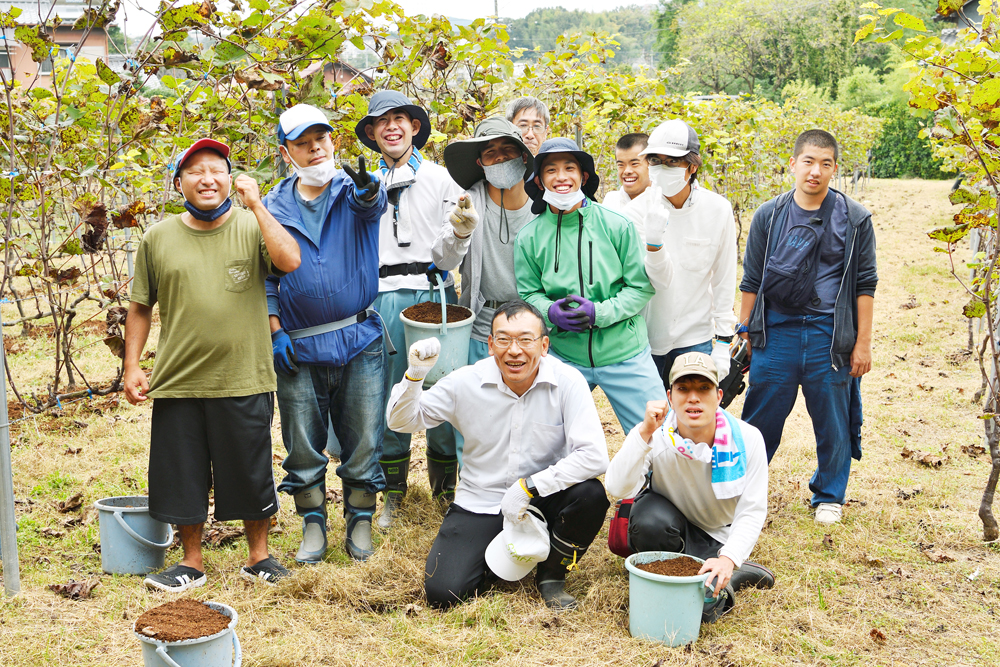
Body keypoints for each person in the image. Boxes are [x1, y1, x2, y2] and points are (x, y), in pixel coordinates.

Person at [123, 138, 301, 591]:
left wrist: (258, 206)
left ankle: (258, 557)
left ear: (229, 178)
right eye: (195, 171)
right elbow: (140, 306)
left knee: (250, 468)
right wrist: (132, 366)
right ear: (179, 182)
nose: (207, 179)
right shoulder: (158, 237)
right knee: (181, 471)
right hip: (179, 378)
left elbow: (289, 260)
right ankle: (191, 562)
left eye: (216, 169)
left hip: (244, 374)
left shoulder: (250, 224)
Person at [386, 301, 610, 610]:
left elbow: (595, 456)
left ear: (544, 345)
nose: (514, 350)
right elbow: (401, 422)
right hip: (480, 501)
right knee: (444, 593)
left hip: (541, 499)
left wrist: (528, 487)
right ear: (491, 345)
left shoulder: (568, 382)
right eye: (503, 339)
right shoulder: (466, 382)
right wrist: (414, 376)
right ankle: (504, 558)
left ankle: (551, 576)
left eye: (525, 339)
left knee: (591, 494)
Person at [264, 104, 388, 563]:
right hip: (299, 342)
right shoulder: (271, 207)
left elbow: (370, 204)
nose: (315, 148)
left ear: (333, 142)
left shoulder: (352, 190)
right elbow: (266, 276)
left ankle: (359, 518)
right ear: (286, 152)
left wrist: (370, 190)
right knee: (300, 440)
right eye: (303, 142)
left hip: (359, 339)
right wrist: (275, 329)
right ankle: (313, 521)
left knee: (364, 438)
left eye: (322, 138)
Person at [738, 129, 877, 525]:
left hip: (829, 335)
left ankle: (829, 494)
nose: (816, 171)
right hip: (776, 332)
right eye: (809, 162)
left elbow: (865, 284)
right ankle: (744, 489)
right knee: (760, 417)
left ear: (835, 168)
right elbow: (752, 278)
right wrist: (745, 329)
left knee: (832, 416)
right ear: (794, 164)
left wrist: (862, 344)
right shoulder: (770, 214)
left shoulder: (854, 218)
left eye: (826, 163)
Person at [356, 90, 470, 528]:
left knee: (441, 386)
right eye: (381, 122)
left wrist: (459, 234)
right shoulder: (363, 184)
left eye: (399, 119)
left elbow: (448, 253)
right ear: (371, 133)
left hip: (431, 293)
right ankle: (393, 494)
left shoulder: (441, 180)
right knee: (391, 390)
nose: (391, 127)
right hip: (381, 295)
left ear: (415, 127)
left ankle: (445, 491)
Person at [604, 352, 774, 623]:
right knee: (648, 521)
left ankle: (729, 570)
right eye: (683, 388)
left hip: (718, 536)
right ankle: (702, 570)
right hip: (667, 524)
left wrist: (728, 558)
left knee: (703, 614)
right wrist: (643, 433)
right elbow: (616, 486)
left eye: (703, 388)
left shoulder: (747, 438)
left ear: (719, 396)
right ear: (670, 397)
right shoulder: (657, 434)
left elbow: (752, 509)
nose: (693, 398)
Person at [515, 138, 665, 434]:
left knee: (658, 435)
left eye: (569, 168)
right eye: (551, 170)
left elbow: (641, 287)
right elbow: (528, 292)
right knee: (544, 437)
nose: (561, 177)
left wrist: (599, 313)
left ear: (583, 177)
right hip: (563, 354)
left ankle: (654, 482)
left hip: (625, 352)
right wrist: (549, 312)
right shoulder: (529, 237)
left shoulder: (616, 225)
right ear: (540, 180)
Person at [628, 119, 737, 382]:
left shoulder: (717, 209)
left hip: (694, 336)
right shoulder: (635, 212)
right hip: (645, 337)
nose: (662, 168)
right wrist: (654, 243)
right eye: (655, 160)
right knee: (650, 416)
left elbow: (724, 276)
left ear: (693, 165)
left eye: (672, 161)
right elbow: (656, 279)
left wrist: (723, 340)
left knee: (691, 417)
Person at [437, 116, 534, 363]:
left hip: (532, 324)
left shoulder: (543, 208)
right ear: (481, 163)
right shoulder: (467, 204)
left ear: (523, 156)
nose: (500, 157)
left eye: (507, 149)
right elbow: (443, 260)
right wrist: (460, 232)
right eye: (490, 152)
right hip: (482, 328)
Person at [601, 133, 651, 214]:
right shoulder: (611, 202)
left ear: (651, 164)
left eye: (634, 164)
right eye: (621, 165)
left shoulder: (663, 201)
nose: (627, 171)